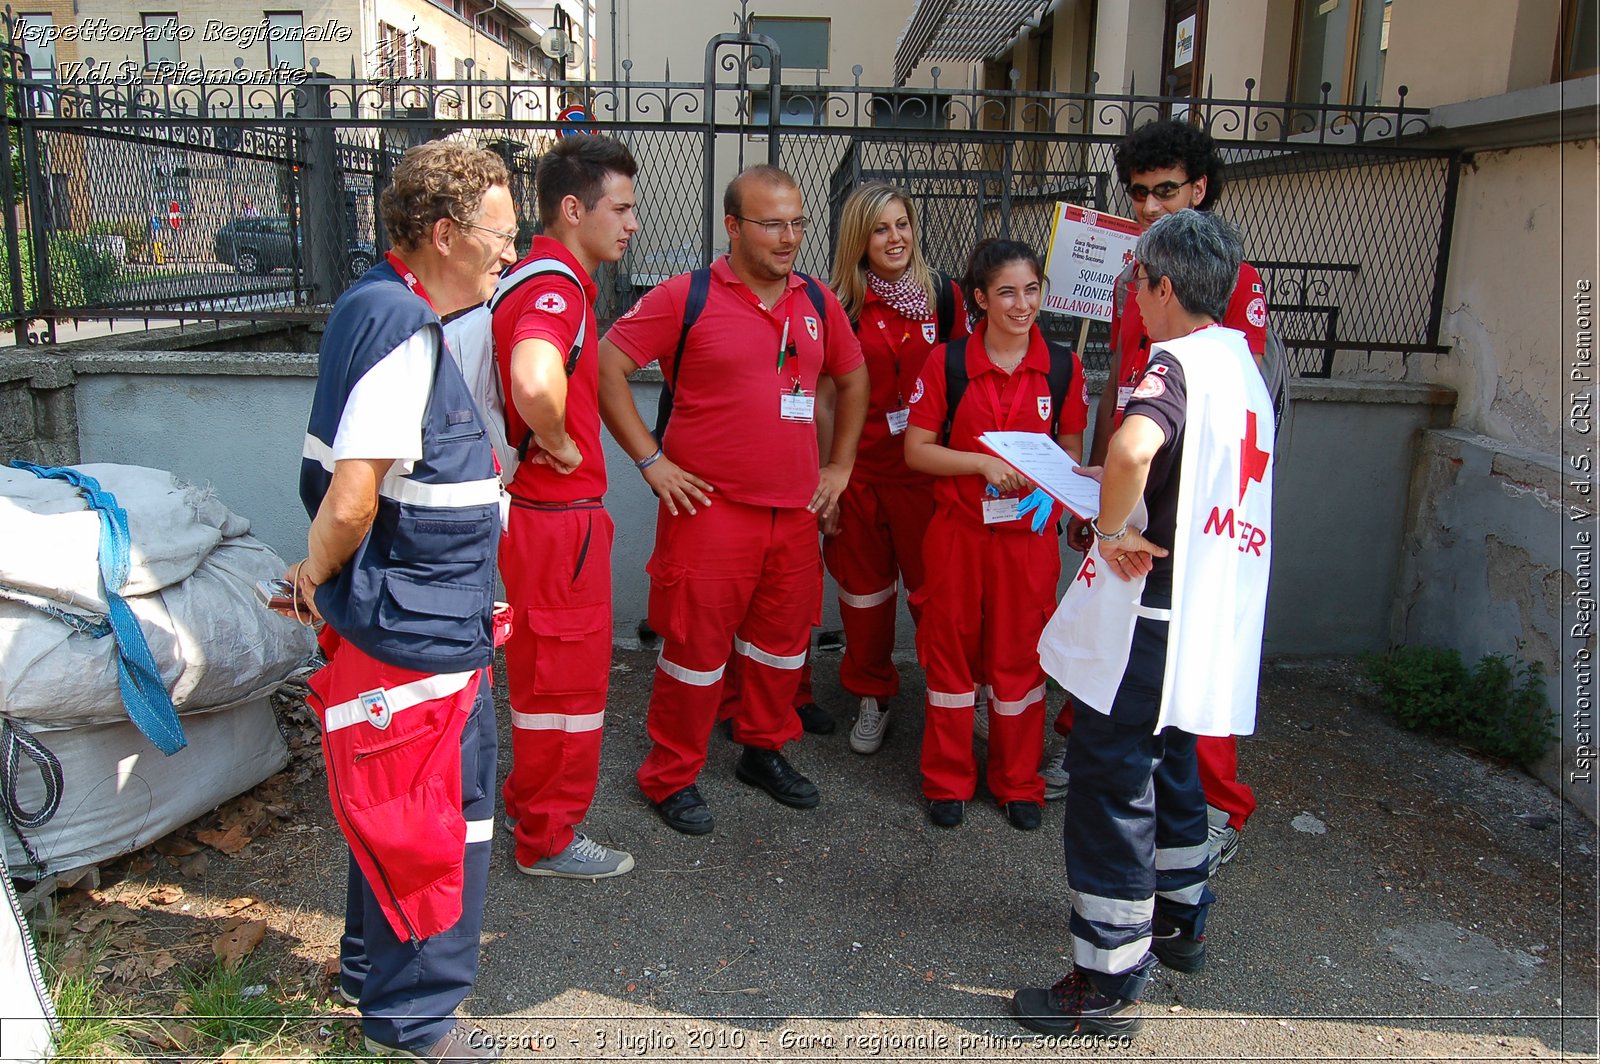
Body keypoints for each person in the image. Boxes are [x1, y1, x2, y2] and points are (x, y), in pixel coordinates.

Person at [1015, 209, 1276, 1036]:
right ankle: (1181, 920)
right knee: (1173, 762)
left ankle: (1107, 977)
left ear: (1161, 287)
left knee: (1111, 777)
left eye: (1139, 285)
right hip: (1208, 605)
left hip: (1151, 615)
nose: (1134, 299)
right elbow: (1175, 466)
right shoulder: (1238, 362)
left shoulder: (1174, 363)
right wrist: (1117, 483)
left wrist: (1114, 525)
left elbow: (1135, 450)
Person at [285, 141, 517, 1062]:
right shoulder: (400, 329)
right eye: (501, 235)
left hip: (411, 617)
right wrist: (311, 577)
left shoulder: (376, 307)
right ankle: (414, 1025)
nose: (512, 250)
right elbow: (352, 498)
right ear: (446, 234)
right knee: (437, 823)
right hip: (417, 629)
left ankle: (366, 971)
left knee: (387, 801)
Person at [598, 164, 869, 835]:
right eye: (771, 223)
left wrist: (840, 466)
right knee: (695, 653)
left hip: (794, 515)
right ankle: (670, 775)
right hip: (708, 514)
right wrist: (651, 462)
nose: (789, 237)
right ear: (732, 227)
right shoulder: (684, 296)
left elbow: (854, 377)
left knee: (781, 649)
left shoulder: (816, 301)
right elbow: (606, 364)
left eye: (798, 223)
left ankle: (763, 749)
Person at [1049, 119, 1266, 874]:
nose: (1145, 207)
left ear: (1200, 189)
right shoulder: (1128, 273)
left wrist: (1129, 497)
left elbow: (1226, 406)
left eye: (1164, 191)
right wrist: (1099, 479)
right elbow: (1123, 382)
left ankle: (1215, 808)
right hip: (1137, 481)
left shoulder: (1226, 278)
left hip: (1192, 502)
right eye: (1137, 193)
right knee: (1128, 654)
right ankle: (1177, 875)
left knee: (1189, 672)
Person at [492, 134, 639, 880]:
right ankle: (547, 839)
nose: (632, 223)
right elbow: (533, 379)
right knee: (565, 687)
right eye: (622, 208)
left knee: (549, 680)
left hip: (551, 523)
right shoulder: (556, 285)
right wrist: (557, 438)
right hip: (558, 522)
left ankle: (531, 810)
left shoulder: (542, 277)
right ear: (573, 209)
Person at [904, 238, 1087, 831]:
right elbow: (917, 451)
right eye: (1006, 291)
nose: (1021, 304)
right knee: (950, 657)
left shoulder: (1063, 366)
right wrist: (980, 464)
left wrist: (1052, 488)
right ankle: (947, 780)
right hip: (958, 535)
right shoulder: (947, 363)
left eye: (1032, 290)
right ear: (979, 298)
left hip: (1027, 540)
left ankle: (1018, 783)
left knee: (1020, 663)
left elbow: (1071, 450)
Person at [825, 182, 966, 754]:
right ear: (860, 238)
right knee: (865, 598)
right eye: (880, 228)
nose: (895, 238)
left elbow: (966, 380)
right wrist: (827, 479)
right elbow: (827, 399)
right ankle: (872, 692)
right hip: (860, 476)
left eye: (902, 224)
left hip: (927, 477)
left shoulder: (945, 298)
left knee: (937, 597)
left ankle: (953, 697)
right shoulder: (841, 305)